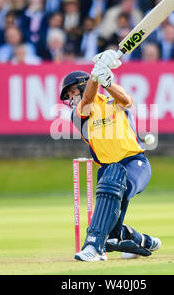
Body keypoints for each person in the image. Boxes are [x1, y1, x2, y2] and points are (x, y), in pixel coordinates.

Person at [60, 50, 161, 261]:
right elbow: (88, 98)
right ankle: (138, 239)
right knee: (112, 225)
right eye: (67, 97)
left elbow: (127, 100)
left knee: (116, 175)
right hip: (106, 170)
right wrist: (96, 75)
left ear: (81, 84)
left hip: (135, 164)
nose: (70, 98)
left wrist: (105, 81)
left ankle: (94, 246)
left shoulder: (112, 100)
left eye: (71, 93)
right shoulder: (78, 115)